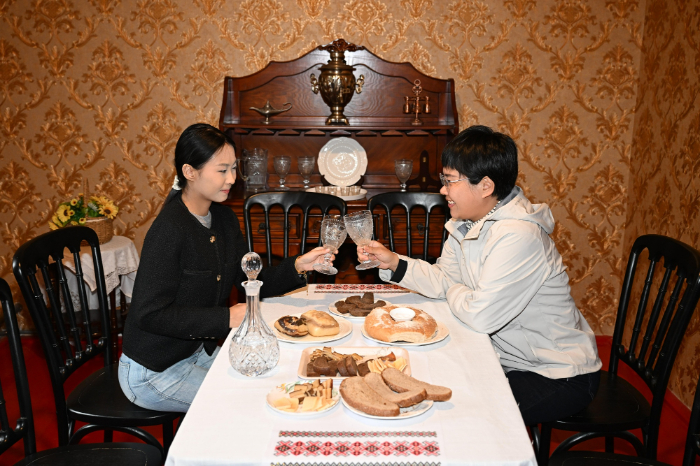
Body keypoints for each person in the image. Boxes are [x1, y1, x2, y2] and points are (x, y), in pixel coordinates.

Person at [359, 125, 602, 426]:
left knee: (459, 415)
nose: (443, 190)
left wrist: (455, 289)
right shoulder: (467, 222)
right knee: (428, 380)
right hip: (506, 358)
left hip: (555, 373)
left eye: (450, 181)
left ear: (485, 186)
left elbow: (480, 315)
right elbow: (444, 278)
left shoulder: (519, 235)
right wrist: (394, 262)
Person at [119, 123, 334, 412]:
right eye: (222, 170)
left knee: (274, 381)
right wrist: (226, 317)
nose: (232, 178)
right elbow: (150, 315)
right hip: (154, 371)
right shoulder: (169, 230)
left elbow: (252, 279)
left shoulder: (223, 219)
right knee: (252, 405)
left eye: (234, 168)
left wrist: (298, 266)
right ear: (189, 172)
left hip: (197, 354)